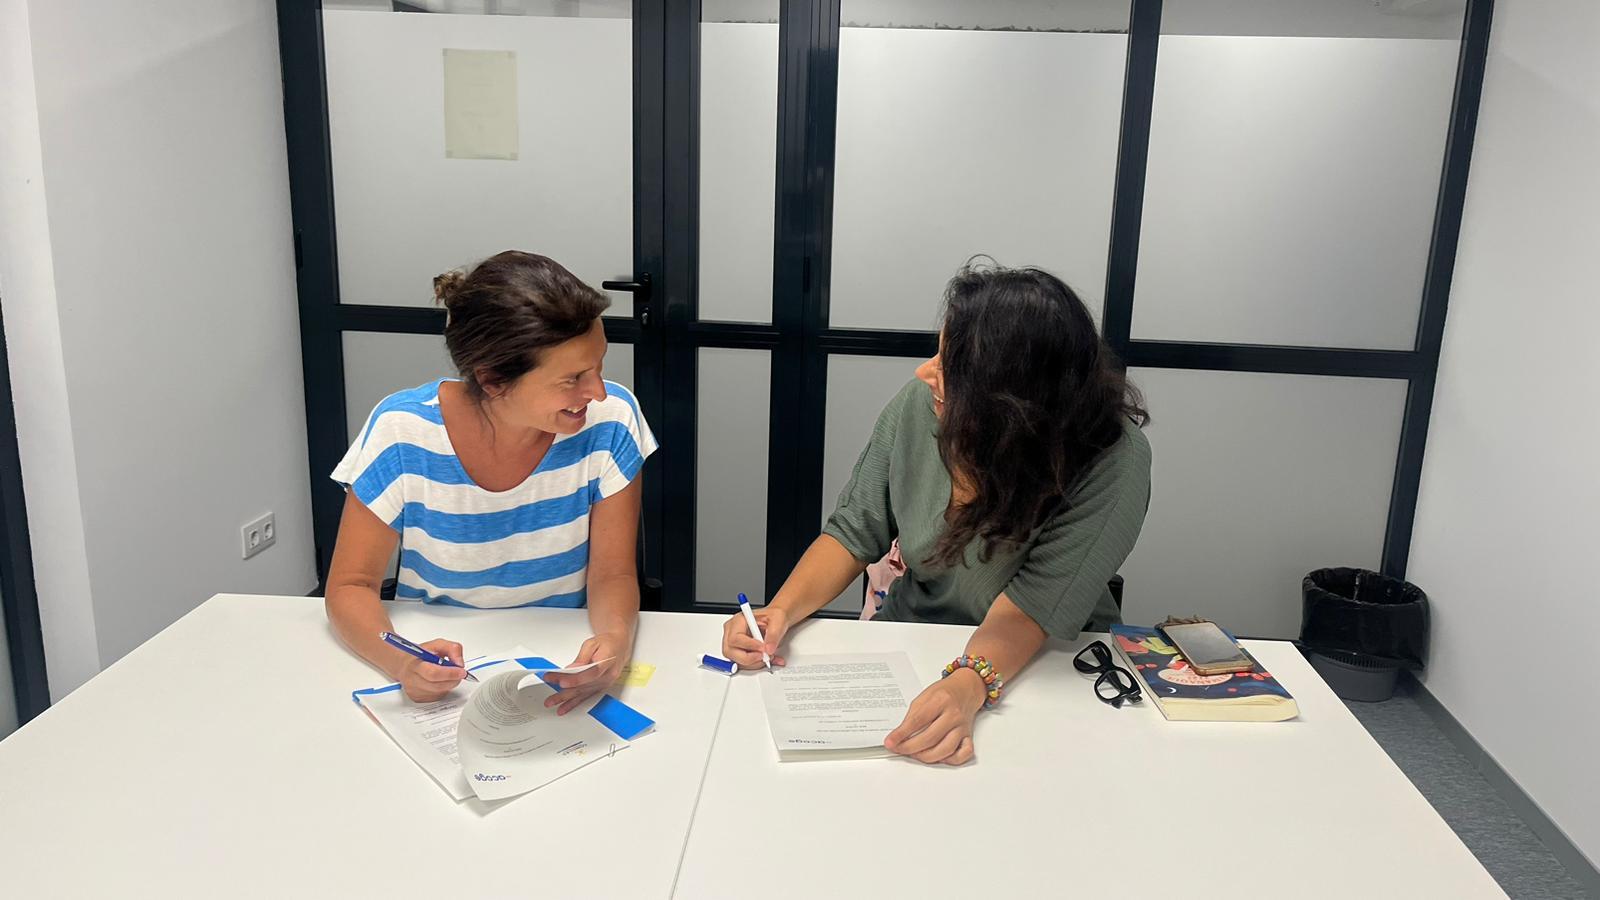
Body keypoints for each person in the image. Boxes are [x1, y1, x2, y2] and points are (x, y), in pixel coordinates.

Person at [722, 262, 1151, 765]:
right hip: (912, 640)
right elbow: (854, 530)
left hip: (1045, 666)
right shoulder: (923, 405)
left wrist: (969, 685)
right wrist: (781, 611)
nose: (925, 372)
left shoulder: (1113, 459)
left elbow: (1032, 609)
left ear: (1011, 403)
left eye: (950, 367)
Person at [326, 251, 655, 712]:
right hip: (443, 666)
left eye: (599, 365)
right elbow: (351, 586)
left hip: (555, 658)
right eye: (573, 379)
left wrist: (613, 640)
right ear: (493, 379)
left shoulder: (612, 420)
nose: (597, 391)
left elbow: (613, 573)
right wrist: (401, 663)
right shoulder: (401, 432)